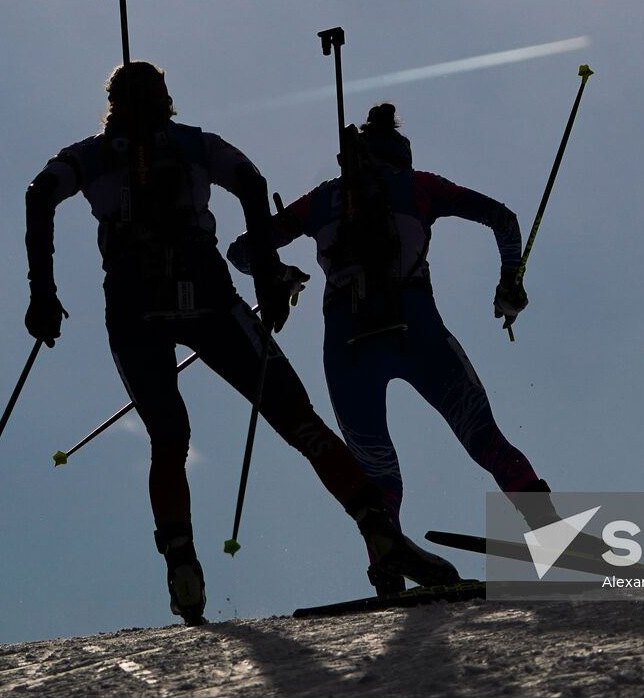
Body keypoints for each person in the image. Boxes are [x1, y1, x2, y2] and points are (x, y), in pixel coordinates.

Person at [23, 64, 458, 624]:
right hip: (209, 294)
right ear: (166, 100)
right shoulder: (195, 142)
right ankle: (377, 528)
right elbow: (250, 180)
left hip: (132, 305)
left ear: (112, 105)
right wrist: (267, 277)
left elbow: (40, 193)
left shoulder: (88, 153)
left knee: (168, 438)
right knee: (296, 417)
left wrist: (43, 291)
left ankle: (182, 563)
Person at [227, 102, 554, 595]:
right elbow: (503, 219)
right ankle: (553, 536)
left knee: (379, 476)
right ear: (402, 155)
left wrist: (279, 276)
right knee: (486, 440)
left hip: (348, 348)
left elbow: (241, 252)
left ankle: (387, 575)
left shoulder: (322, 199)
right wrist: (511, 282)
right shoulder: (421, 186)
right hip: (418, 332)